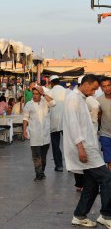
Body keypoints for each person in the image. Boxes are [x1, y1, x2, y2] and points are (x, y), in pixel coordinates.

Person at [63, 74, 111, 228]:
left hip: (89, 147)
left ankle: (79, 215)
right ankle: (106, 214)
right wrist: (80, 148)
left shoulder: (81, 98)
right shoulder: (73, 99)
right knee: (107, 178)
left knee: (91, 185)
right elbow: (73, 125)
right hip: (84, 148)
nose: (94, 92)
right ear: (86, 84)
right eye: (94, 88)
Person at [22, 86, 56, 181]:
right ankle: (39, 174)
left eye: (37, 94)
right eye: (34, 94)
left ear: (41, 94)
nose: (35, 96)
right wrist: (24, 130)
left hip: (45, 134)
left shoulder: (45, 102)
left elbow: (54, 103)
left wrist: (44, 94)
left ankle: (42, 172)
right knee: (36, 156)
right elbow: (25, 118)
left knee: (43, 157)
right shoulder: (29, 104)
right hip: (34, 134)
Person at [48, 75, 69, 172]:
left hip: (53, 122)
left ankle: (59, 165)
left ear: (51, 83)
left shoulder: (49, 92)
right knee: (69, 144)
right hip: (66, 121)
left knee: (56, 145)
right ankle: (71, 165)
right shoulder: (68, 92)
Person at [98, 76, 111, 170]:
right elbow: (98, 116)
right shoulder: (98, 100)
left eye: (109, 85)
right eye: (104, 86)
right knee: (109, 161)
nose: (107, 88)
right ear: (101, 88)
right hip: (105, 134)